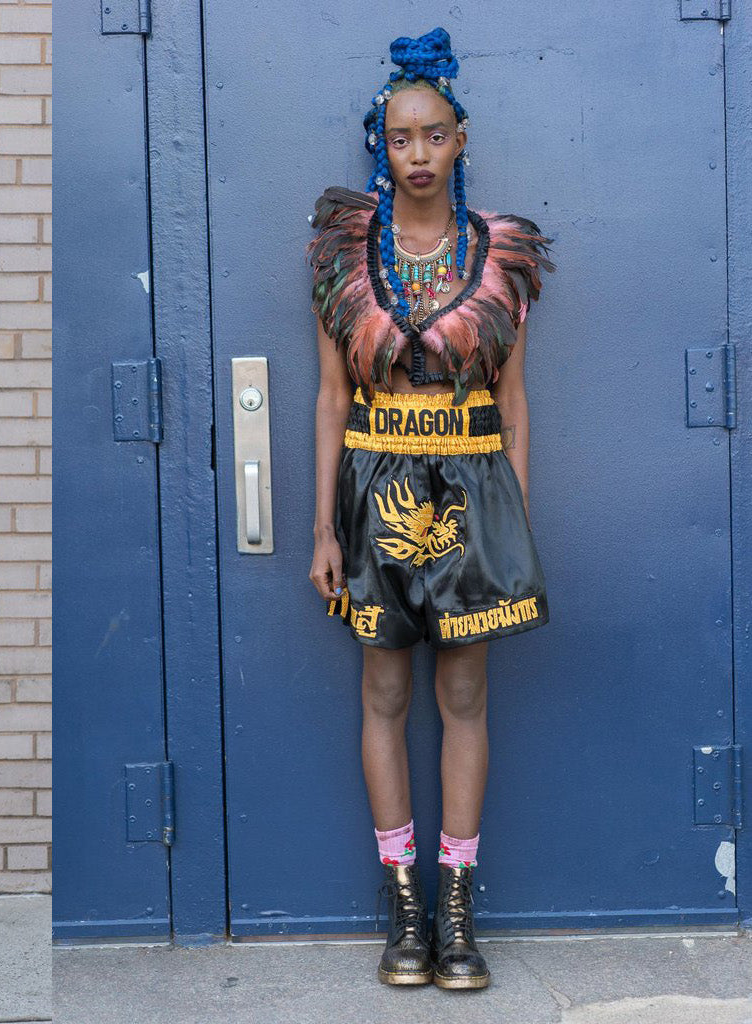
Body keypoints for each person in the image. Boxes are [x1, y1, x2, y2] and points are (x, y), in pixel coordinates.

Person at [306, 28, 553, 990]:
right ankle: (404, 909)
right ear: (383, 141)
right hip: (375, 488)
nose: (417, 153)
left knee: (463, 697)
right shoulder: (341, 251)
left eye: (434, 135)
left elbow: (517, 400)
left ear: (459, 140)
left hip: (474, 485)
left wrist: (514, 525)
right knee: (383, 694)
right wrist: (325, 526)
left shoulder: (500, 255)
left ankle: (459, 911)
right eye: (400, 137)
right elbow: (331, 398)